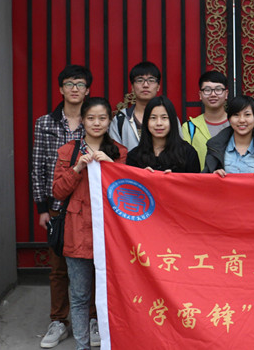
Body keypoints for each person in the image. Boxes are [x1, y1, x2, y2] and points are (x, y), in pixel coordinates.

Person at [53, 97, 126, 349]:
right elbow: (58, 192)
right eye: (91, 118)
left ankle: (111, 343)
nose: (97, 123)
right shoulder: (68, 151)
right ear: (82, 120)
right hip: (77, 232)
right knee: (80, 295)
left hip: (110, 233)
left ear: (109, 121)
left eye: (102, 118)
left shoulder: (119, 152)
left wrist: (112, 167)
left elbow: (127, 193)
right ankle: (82, 345)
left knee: (112, 294)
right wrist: (76, 169)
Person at [30, 64, 92, 348]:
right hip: (57, 205)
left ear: (88, 90)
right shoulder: (45, 123)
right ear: (60, 89)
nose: (75, 89)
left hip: (89, 206)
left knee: (92, 264)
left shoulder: (95, 118)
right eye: (69, 84)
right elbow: (38, 166)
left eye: (80, 84)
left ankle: (92, 318)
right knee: (58, 268)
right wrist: (42, 208)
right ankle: (59, 320)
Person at [110, 61, 179, 151]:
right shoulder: (120, 119)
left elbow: (179, 148)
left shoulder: (169, 116)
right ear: (132, 87)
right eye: (140, 80)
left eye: (151, 80)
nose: (145, 85)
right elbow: (115, 153)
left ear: (158, 86)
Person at [202, 95, 254, 177]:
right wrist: (213, 176)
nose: (241, 120)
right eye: (236, 115)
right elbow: (204, 179)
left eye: (247, 114)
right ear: (229, 119)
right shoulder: (215, 146)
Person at [126, 96, 200, 173]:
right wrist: (142, 176)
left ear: (172, 121)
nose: (159, 123)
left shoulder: (188, 153)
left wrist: (175, 178)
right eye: (153, 118)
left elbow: (194, 180)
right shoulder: (134, 156)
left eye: (164, 117)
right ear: (146, 122)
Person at [182, 70, 230, 170]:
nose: (213, 94)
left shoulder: (235, 124)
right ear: (200, 94)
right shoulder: (190, 128)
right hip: (200, 179)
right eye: (207, 90)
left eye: (218, 89)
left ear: (226, 94)